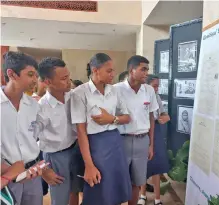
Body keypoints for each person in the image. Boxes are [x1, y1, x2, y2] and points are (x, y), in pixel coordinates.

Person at [71, 53, 132, 205]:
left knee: (115, 188)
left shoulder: (114, 91)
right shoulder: (80, 93)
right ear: (95, 70)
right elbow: (81, 131)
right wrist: (89, 165)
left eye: (113, 71)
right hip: (94, 145)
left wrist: (111, 119)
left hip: (115, 141)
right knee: (98, 189)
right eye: (109, 71)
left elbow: (127, 117)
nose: (113, 74)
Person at [0, 51, 45, 205]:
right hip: (7, 176)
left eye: (36, 75)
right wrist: (7, 172)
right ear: (12, 74)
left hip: (33, 175)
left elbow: (33, 137)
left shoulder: (33, 106)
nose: (35, 80)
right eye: (30, 74)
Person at [35, 57, 81, 205]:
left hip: (75, 150)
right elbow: (28, 141)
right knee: (60, 199)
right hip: (55, 158)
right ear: (48, 82)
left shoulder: (73, 96)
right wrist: (43, 170)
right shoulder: (41, 108)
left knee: (75, 191)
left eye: (69, 77)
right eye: (64, 78)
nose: (69, 81)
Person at [114, 55, 159, 205]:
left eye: (147, 69)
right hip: (122, 141)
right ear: (131, 70)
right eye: (143, 69)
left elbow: (151, 118)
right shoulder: (116, 90)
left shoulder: (149, 91)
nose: (146, 73)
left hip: (142, 141)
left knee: (137, 181)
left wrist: (151, 144)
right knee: (119, 181)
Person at [138, 74, 170, 205]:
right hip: (142, 131)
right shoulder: (139, 97)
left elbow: (163, 113)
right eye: (155, 86)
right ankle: (142, 195)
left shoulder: (157, 97)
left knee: (156, 165)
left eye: (158, 86)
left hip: (155, 131)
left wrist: (166, 117)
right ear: (146, 84)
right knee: (142, 166)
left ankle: (157, 199)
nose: (157, 89)